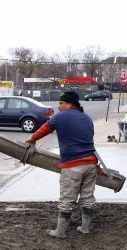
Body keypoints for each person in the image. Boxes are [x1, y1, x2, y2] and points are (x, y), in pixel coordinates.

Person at [25, 91, 97, 238]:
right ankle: (85, 228)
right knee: (88, 197)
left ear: (69, 104)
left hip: (72, 165)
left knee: (67, 198)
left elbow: (44, 129)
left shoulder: (60, 116)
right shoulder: (87, 118)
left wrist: (31, 139)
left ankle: (60, 231)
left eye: (61, 103)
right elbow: (90, 138)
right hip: (91, 164)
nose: (58, 106)